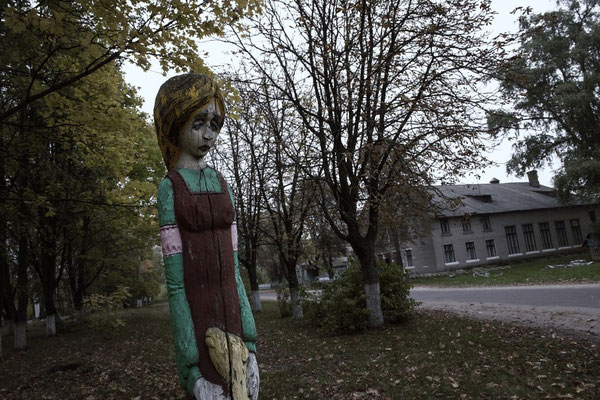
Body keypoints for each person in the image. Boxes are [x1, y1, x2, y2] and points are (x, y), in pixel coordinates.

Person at [154, 73, 259, 400]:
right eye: (198, 123)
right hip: (198, 321)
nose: (208, 134)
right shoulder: (170, 188)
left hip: (234, 317)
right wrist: (192, 371)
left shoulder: (222, 182)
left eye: (215, 124)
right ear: (175, 122)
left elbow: (235, 273)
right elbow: (175, 286)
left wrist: (251, 347)